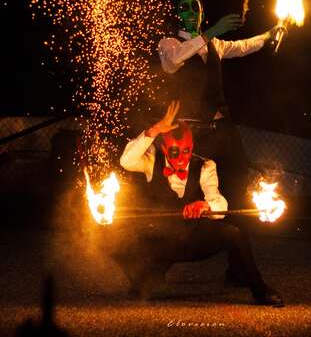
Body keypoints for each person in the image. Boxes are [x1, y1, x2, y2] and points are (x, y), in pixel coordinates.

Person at [116, 101, 283, 306]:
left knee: (234, 233)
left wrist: (205, 206)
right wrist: (156, 129)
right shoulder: (150, 160)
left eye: (186, 152)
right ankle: (148, 276)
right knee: (116, 244)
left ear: (191, 147)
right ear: (164, 147)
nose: (181, 159)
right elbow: (126, 161)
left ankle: (260, 290)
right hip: (162, 242)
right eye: (175, 153)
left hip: (193, 240)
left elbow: (219, 203)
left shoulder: (205, 165)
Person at [157, 0, 284, 208]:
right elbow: (175, 59)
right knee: (197, 187)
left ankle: (234, 228)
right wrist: (212, 30)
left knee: (236, 176)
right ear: (178, 14)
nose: (190, 12)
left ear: (201, 13)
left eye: (194, 7)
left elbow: (242, 46)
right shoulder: (169, 43)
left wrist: (267, 36)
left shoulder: (215, 44)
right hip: (191, 133)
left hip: (222, 127)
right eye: (184, 7)